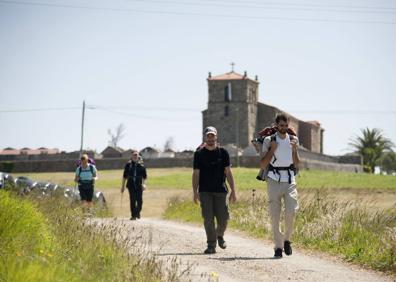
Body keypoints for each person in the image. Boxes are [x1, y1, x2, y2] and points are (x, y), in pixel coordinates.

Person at [260, 113, 300, 258]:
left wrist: (294, 149)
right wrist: (272, 149)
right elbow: (263, 164)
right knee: (275, 216)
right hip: (273, 180)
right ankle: (278, 247)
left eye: (286, 126)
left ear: (288, 125)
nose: (283, 128)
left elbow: (297, 163)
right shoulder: (268, 140)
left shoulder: (294, 140)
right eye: (281, 125)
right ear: (276, 125)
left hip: (290, 180)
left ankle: (287, 239)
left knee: (291, 211)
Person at [193, 126, 237, 254]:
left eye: (212, 136)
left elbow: (228, 172)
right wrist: (195, 191)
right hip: (205, 191)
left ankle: (220, 235)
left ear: (216, 136)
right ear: (205, 137)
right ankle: (211, 244)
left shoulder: (223, 153)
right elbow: (196, 173)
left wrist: (233, 190)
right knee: (208, 219)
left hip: (220, 190)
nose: (210, 138)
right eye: (208, 136)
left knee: (224, 218)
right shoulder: (199, 154)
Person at [121, 150, 147, 220]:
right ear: (131, 157)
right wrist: (122, 186)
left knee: (140, 201)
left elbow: (144, 177)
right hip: (130, 184)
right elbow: (124, 176)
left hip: (139, 185)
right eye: (134, 155)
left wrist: (144, 185)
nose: (135, 156)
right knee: (132, 200)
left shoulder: (142, 166)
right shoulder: (128, 165)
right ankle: (133, 215)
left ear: (138, 156)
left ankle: (137, 212)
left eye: (136, 155)